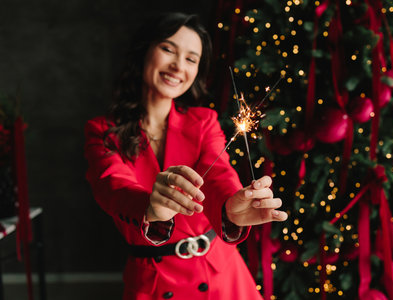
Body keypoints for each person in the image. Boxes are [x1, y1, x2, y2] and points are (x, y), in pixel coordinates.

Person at [84, 12, 288, 300]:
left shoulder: (204, 122)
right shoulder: (102, 131)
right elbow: (113, 188)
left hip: (221, 278)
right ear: (145, 51)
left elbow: (218, 173)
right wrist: (151, 208)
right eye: (168, 49)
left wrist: (231, 205)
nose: (178, 66)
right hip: (154, 283)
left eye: (191, 59)